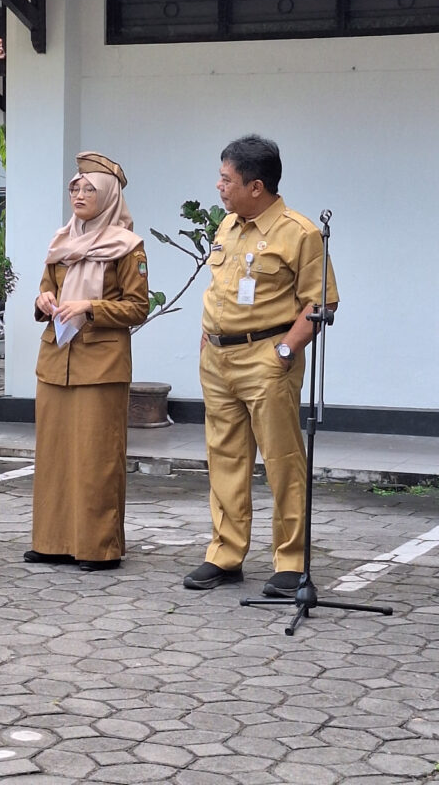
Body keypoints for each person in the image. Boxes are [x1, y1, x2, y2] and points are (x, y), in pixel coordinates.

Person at [184, 134, 339, 597]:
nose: (219, 186)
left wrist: (286, 352)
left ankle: (290, 562)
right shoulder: (227, 227)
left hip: (267, 359)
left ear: (256, 186)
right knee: (225, 458)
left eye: (227, 179)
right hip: (218, 358)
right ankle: (225, 554)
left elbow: (321, 304)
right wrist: (206, 341)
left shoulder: (301, 232)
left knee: (282, 462)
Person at [25, 151, 150, 572]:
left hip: (100, 364)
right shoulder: (61, 240)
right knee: (54, 456)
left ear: (110, 195)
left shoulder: (128, 247)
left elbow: (137, 307)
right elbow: (45, 294)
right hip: (56, 360)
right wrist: (44, 303)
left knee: (96, 458)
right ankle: (51, 542)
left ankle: (98, 547)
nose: (78, 193)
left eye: (88, 188)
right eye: (74, 186)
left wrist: (91, 307)